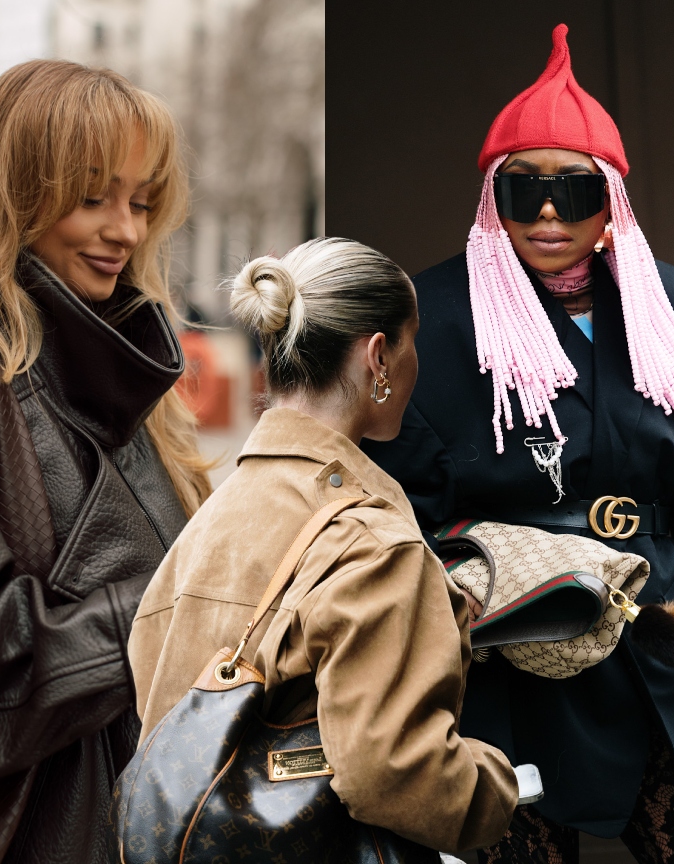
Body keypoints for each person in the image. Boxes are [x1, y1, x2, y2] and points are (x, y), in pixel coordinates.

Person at [360, 24, 674, 864]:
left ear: (614, 199)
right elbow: (386, 522)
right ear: (488, 199)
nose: (543, 213)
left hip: (657, 647)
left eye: (572, 191)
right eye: (518, 190)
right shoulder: (417, 325)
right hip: (503, 664)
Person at [0, 59, 213, 863]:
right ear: (15, 193)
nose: (125, 231)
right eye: (92, 196)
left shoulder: (135, 387)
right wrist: (166, 601)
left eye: (140, 202)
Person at [129, 237, 518, 854]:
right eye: (413, 341)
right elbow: (390, 772)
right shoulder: (373, 543)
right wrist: (493, 786)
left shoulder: (205, 525)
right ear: (379, 356)